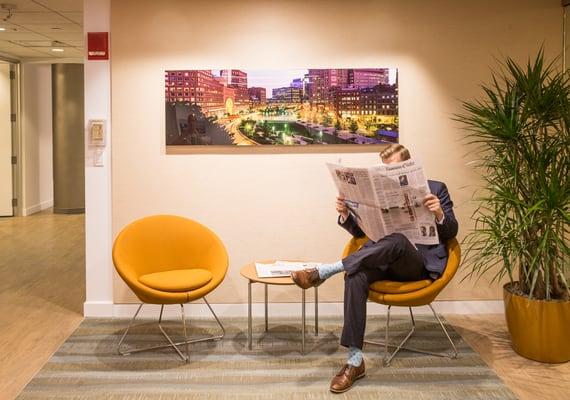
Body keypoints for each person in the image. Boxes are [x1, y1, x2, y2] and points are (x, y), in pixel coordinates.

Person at [291, 144, 458, 393]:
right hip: (384, 259)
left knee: (399, 240)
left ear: (407, 167)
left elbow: (452, 231)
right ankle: (355, 360)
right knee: (355, 275)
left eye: (393, 171)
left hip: (418, 264)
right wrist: (347, 213)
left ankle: (325, 270)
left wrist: (439, 214)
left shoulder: (436, 189)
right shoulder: (378, 194)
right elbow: (361, 233)